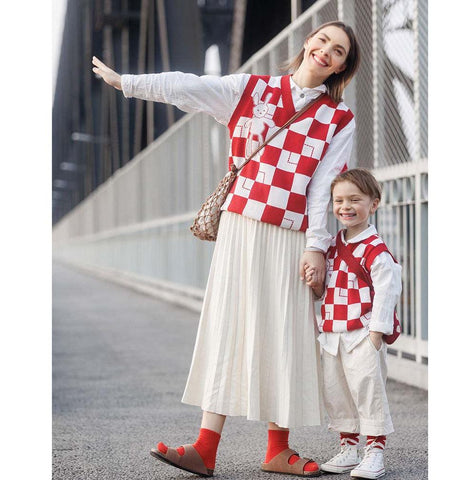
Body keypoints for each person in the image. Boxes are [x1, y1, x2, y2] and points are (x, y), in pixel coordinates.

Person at [92, 20, 360, 478]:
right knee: (227, 325)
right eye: (322, 42)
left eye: (338, 51)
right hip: (241, 225)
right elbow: (190, 87)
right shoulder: (249, 90)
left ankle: (278, 449)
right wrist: (127, 83)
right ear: (307, 43)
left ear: (342, 67)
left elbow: (322, 190)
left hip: (292, 234)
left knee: (286, 331)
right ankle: (204, 447)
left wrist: (316, 247)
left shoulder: (339, 120)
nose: (326, 52)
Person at [304, 168, 402, 479]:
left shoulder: (375, 250)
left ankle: (375, 450)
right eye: (339, 200)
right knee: (338, 391)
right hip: (333, 332)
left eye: (355, 199)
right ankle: (349, 447)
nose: (345, 206)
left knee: (367, 389)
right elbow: (328, 288)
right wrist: (316, 286)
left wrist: (376, 333)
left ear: (374, 204)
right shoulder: (332, 245)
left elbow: (388, 290)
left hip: (361, 332)